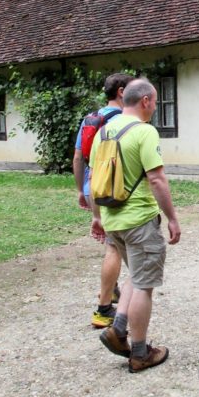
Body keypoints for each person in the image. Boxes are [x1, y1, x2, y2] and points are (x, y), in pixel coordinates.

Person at [92, 78, 182, 373]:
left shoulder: (103, 131)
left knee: (135, 275)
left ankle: (118, 329)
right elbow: (156, 179)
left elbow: (94, 178)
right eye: (154, 102)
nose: (154, 107)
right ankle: (141, 353)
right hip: (139, 220)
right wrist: (172, 218)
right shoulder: (144, 131)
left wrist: (97, 217)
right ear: (145, 101)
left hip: (113, 219)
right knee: (144, 285)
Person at [72, 72, 133, 328]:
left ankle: (113, 289)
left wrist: (81, 190)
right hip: (112, 189)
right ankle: (104, 308)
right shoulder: (123, 121)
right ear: (121, 92)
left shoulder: (90, 118)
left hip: (91, 186)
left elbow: (78, 157)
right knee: (114, 247)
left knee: (113, 242)